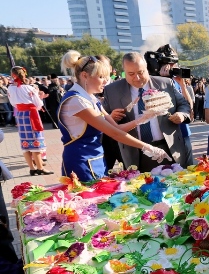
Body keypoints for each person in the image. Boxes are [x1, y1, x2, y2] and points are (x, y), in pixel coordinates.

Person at [59, 51, 171, 181]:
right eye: (101, 77)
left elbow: (118, 129)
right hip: (80, 161)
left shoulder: (90, 98)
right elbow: (114, 133)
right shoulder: (76, 101)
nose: (106, 81)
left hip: (96, 158)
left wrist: (142, 119)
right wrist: (148, 148)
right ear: (85, 76)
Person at [103, 52, 191, 171]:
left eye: (140, 72)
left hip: (168, 148)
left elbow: (184, 104)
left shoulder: (165, 83)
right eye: (131, 74)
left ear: (147, 69)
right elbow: (103, 121)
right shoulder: (112, 90)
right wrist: (110, 117)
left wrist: (182, 114)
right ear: (124, 72)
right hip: (135, 153)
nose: (137, 78)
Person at [7, 66, 53, 176]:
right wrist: (39, 96)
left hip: (20, 115)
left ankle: (32, 168)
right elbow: (38, 104)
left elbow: (13, 103)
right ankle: (40, 168)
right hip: (31, 114)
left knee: (25, 142)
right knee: (35, 140)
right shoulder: (29, 88)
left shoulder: (10, 88)